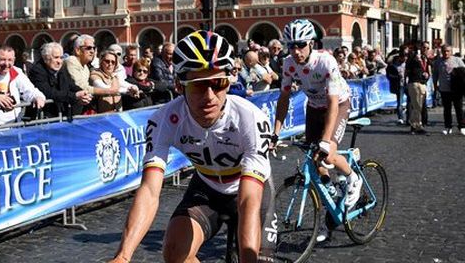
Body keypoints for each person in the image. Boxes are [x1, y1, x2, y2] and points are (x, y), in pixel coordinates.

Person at [110, 31, 276, 263]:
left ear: (229, 82)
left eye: (218, 83)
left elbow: (248, 200)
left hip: (248, 189)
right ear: (179, 85)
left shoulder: (249, 118)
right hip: (207, 188)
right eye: (198, 85)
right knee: (175, 253)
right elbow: (149, 190)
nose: (209, 96)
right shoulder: (165, 119)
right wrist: (123, 256)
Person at [271, 19, 362, 243]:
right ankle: (331, 206)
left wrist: (325, 139)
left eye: (300, 45)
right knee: (314, 162)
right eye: (290, 45)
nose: (295, 50)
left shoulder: (325, 61)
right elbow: (283, 99)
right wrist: (275, 133)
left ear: (311, 43)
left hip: (338, 105)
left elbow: (332, 102)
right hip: (313, 107)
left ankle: (353, 179)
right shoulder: (288, 64)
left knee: (327, 151)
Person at [0, 45, 46, 127]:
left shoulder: (16, 72)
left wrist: (38, 97)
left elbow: (30, 90)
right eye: (3, 60)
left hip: (13, 125)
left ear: (14, 60)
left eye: (10, 60)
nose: (6, 64)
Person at [28, 42, 92, 118]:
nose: (59, 61)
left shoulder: (62, 69)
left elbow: (71, 85)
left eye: (61, 57)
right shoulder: (37, 70)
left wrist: (83, 94)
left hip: (61, 114)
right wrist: (74, 96)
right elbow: (49, 92)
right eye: (56, 57)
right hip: (44, 117)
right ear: (46, 58)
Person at [64, 35, 118, 110]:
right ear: (77, 50)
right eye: (88, 48)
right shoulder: (71, 61)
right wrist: (108, 91)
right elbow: (81, 87)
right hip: (68, 110)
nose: (92, 51)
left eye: (94, 48)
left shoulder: (86, 67)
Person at [433, 45, 465, 135]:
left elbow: (464, 72)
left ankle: (462, 126)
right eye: (444, 51)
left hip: (456, 89)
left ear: (451, 52)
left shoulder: (457, 60)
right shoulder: (438, 62)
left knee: (459, 108)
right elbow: (435, 74)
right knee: (447, 109)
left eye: (448, 51)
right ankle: (448, 127)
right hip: (444, 88)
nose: (446, 53)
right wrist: (435, 86)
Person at [405, 45, 430, 135]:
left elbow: (427, 69)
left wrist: (427, 75)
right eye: (424, 48)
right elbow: (408, 70)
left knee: (420, 106)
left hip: (422, 82)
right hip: (415, 82)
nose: (426, 50)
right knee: (416, 106)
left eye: (427, 48)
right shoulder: (413, 58)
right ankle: (415, 126)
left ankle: (417, 124)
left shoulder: (425, 58)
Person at [386, 51, 407, 125]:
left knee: (411, 101)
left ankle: (409, 118)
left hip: (407, 84)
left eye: (405, 57)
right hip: (399, 85)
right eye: (403, 57)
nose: (404, 59)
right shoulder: (394, 65)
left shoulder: (407, 64)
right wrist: (396, 77)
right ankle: (400, 118)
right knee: (400, 102)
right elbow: (388, 75)